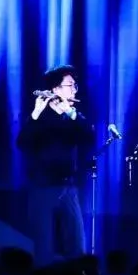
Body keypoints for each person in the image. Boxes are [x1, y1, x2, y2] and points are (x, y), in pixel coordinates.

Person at [16, 65, 94, 264]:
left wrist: (70, 112)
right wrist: (35, 113)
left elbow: (89, 137)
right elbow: (22, 143)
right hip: (43, 186)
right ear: (55, 89)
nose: (74, 89)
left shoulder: (73, 116)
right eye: (70, 85)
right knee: (44, 246)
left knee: (76, 244)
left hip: (68, 186)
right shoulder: (40, 117)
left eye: (75, 85)